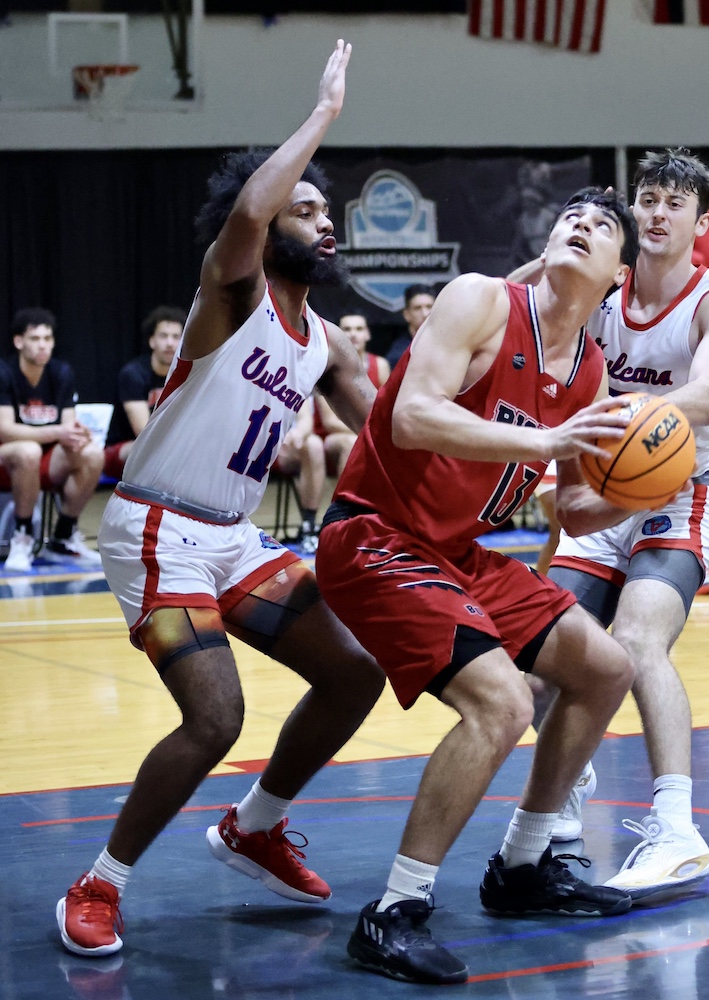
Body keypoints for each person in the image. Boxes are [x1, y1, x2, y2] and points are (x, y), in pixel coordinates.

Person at [55, 40, 386, 959]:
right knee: (216, 718)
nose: (324, 223)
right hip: (155, 527)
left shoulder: (323, 342)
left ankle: (255, 827)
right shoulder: (233, 292)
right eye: (305, 208)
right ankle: (99, 883)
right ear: (271, 222)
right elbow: (247, 210)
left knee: (356, 670)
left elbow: (391, 431)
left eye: (328, 211)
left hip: (233, 539)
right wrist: (323, 114)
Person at [317, 187, 642, 984]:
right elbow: (411, 417)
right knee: (502, 702)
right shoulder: (481, 301)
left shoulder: (591, 370)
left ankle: (523, 866)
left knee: (606, 668)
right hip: (373, 533)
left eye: (603, 225)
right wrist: (545, 440)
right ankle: (395, 910)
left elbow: (573, 506)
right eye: (572, 215)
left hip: (454, 552)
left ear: (619, 276)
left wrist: (643, 492)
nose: (581, 224)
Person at [516, 150, 709, 885]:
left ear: (701, 222)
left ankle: (678, 830)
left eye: (675, 203)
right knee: (538, 661)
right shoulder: (603, 292)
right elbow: (514, 301)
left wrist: (612, 420)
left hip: (680, 488)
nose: (657, 213)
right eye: (648, 198)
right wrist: (556, 263)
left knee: (637, 640)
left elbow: (708, 397)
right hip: (601, 486)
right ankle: (571, 778)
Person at [0, 307, 104, 572]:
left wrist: (77, 434)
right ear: (19, 342)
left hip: (43, 459)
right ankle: (22, 537)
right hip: (7, 457)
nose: (43, 345)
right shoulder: (4, 372)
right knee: (28, 451)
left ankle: (62, 538)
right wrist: (58, 432)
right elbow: (4, 430)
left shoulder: (61, 372)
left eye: (47, 338)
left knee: (92, 453)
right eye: (35, 339)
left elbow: (67, 426)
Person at [103, 306, 187, 481]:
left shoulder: (186, 376)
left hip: (168, 447)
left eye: (176, 337)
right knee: (154, 450)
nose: (170, 343)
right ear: (152, 341)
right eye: (163, 336)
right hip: (122, 449)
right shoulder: (133, 374)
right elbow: (144, 432)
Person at [312, 311, 389, 479]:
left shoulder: (381, 365)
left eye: (359, 329)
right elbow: (330, 423)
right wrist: (371, 434)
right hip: (332, 439)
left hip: (368, 433)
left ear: (368, 334)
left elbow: (385, 411)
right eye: (347, 329)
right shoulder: (325, 365)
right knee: (352, 443)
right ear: (336, 335)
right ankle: (347, 497)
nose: (353, 334)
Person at [272, 393, 327, 553]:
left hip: (288, 447)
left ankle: (309, 525)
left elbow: (305, 421)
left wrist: (295, 435)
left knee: (313, 445)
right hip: (257, 443)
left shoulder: (295, 383)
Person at [384, 283, 435, 370]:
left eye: (429, 307)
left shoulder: (451, 344)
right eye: (417, 308)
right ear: (406, 314)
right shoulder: (398, 354)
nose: (425, 314)